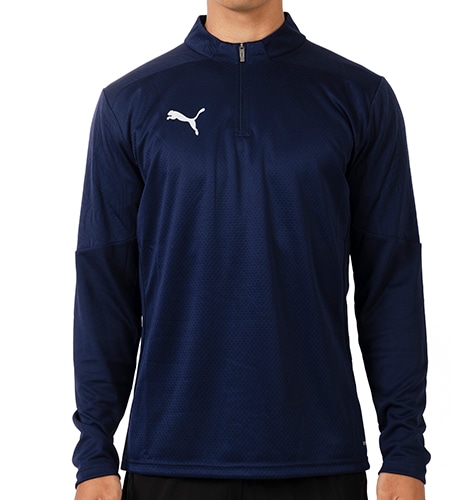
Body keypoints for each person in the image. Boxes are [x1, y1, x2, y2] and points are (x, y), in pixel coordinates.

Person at [72, 1, 430, 499]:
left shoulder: (360, 96)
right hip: (170, 458)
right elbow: (106, 286)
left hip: (319, 456)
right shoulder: (130, 103)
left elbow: (391, 281)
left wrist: (405, 450)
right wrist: (94, 453)